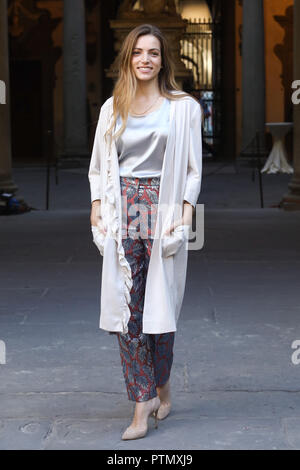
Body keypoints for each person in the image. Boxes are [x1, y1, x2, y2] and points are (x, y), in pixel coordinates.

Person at [88, 24, 202, 441]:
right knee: (127, 310)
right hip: (124, 211)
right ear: (127, 58)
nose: (145, 60)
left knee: (162, 309)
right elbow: (100, 166)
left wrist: (188, 212)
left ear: (163, 60)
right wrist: (96, 206)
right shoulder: (111, 108)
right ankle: (141, 400)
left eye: (153, 53)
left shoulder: (184, 107)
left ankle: (162, 385)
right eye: (138, 52)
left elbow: (192, 168)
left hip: (164, 210)